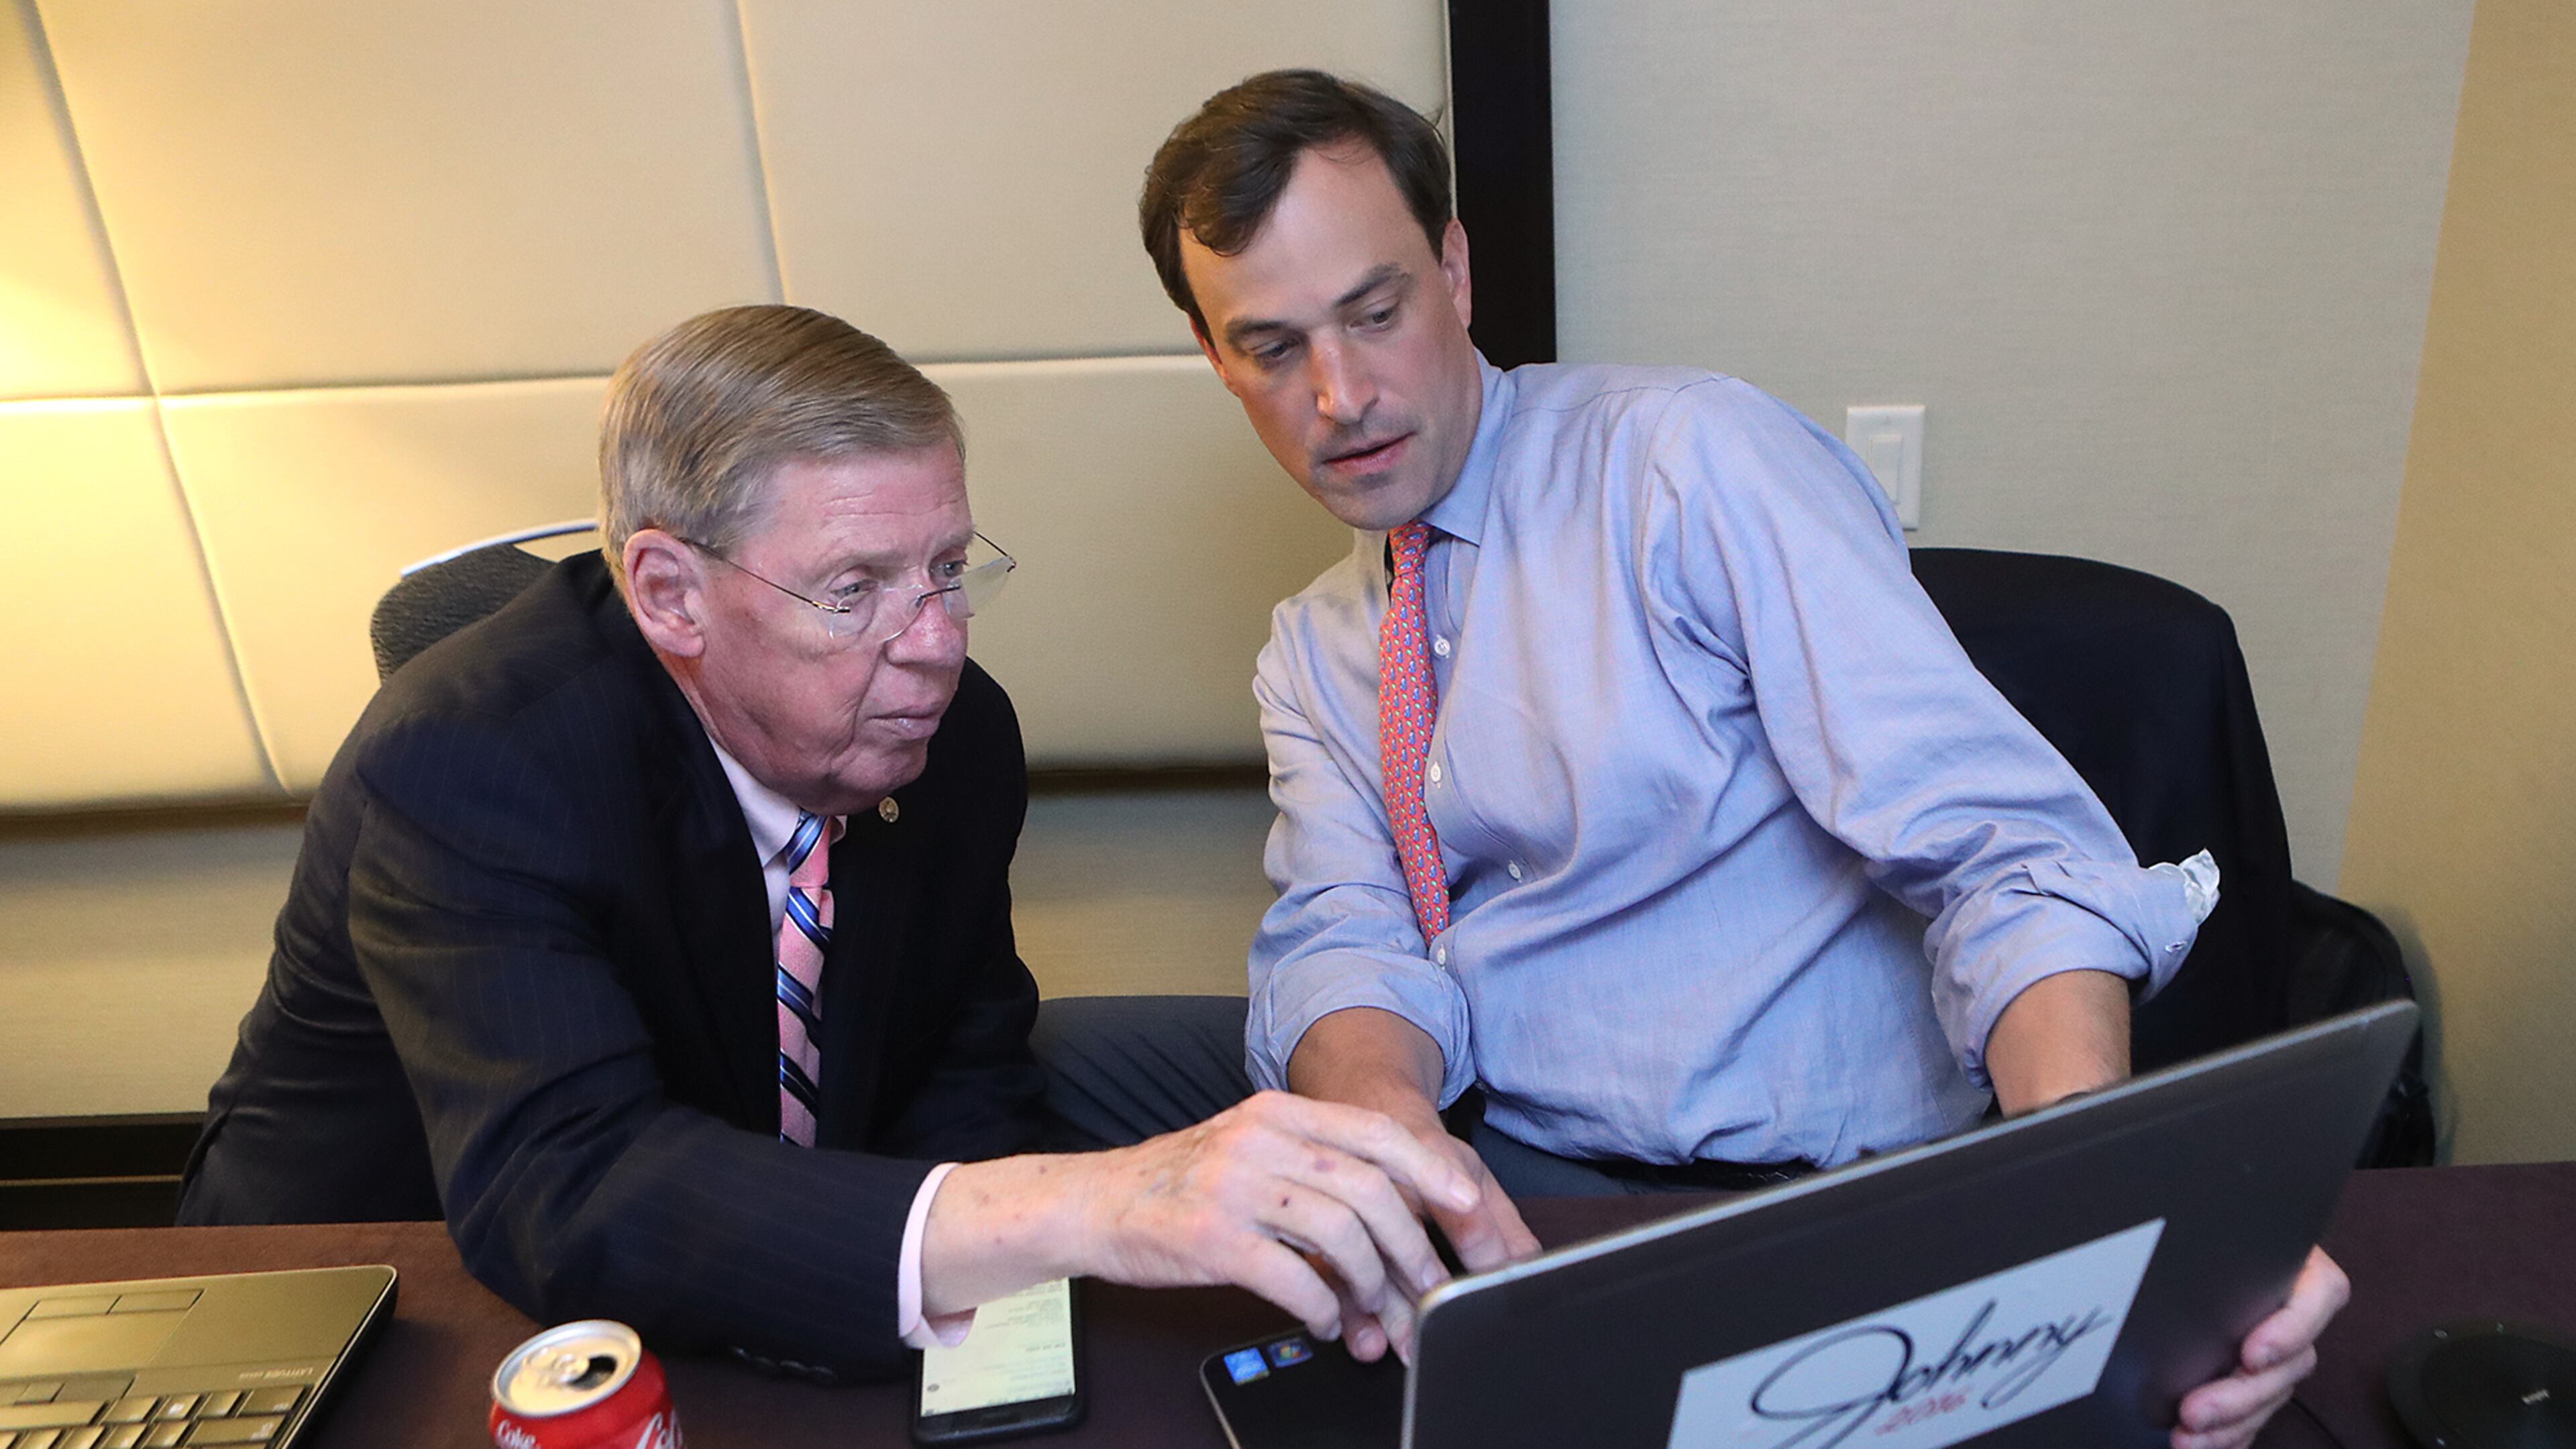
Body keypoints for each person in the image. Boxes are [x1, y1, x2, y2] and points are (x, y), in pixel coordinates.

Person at [1137, 70, 2346, 1447]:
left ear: (1456, 271)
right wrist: (1401, 1159)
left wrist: (2102, 1214)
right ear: (1213, 354)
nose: (1342, 396)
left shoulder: (1689, 469)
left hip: (1829, 1194)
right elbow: (1350, 937)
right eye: (1274, 345)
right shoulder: (1317, 649)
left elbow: (2009, 858)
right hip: (1536, 1197)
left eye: (1376, 310)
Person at [179, 304, 1479, 1379]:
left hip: (725, 1282)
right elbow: (569, 1183)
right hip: (364, 1318)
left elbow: (960, 1063)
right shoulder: (469, 757)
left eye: (950, 569)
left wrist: (979, 1355)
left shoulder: (954, 740)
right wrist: (1092, 1204)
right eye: (856, 589)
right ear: (669, 595)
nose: (935, 642)